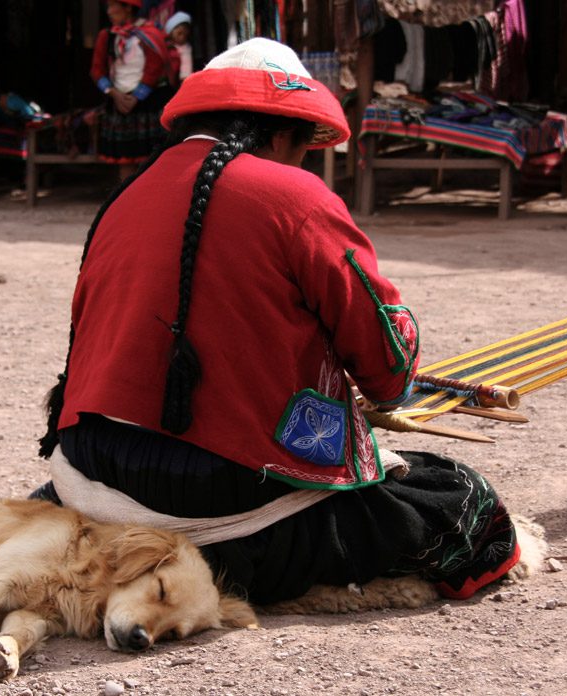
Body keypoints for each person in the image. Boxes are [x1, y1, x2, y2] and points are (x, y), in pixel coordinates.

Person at [32, 38, 524, 606]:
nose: (304, 160)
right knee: (461, 499)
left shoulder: (124, 197)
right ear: (284, 132)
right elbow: (386, 368)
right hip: (223, 495)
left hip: (96, 470)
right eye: (304, 147)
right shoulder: (294, 197)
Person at [91, 0, 174, 181]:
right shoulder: (107, 36)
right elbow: (97, 71)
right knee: (125, 159)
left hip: (148, 103)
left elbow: (155, 68)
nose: (109, 11)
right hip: (118, 101)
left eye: (113, 6)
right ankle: (126, 201)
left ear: (128, 8)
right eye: (109, 7)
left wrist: (136, 97)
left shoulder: (149, 33)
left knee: (152, 159)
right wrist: (113, 93)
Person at [164, 11, 193, 82]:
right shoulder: (163, 44)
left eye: (185, 34)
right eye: (179, 33)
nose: (182, 37)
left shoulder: (185, 48)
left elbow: (186, 65)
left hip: (174, 80)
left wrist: (185, 79)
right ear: (170, 33)